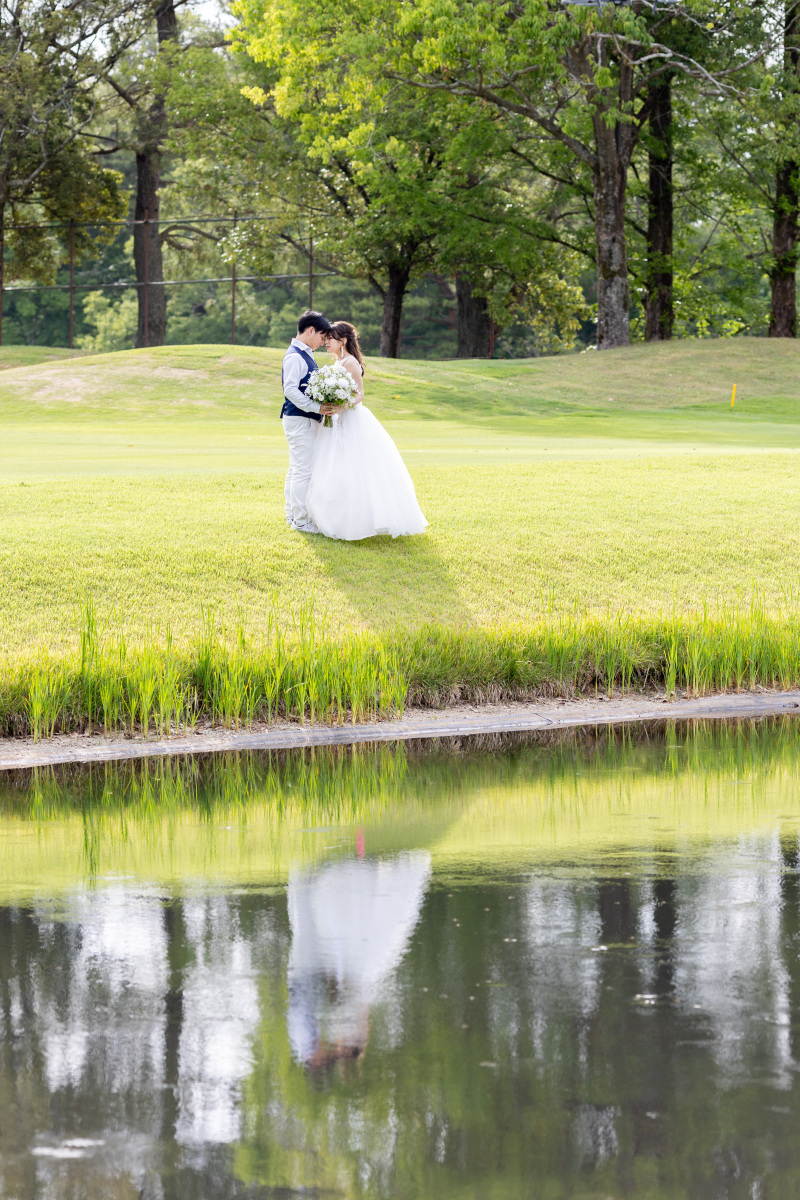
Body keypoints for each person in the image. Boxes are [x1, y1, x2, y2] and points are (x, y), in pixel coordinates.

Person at [306, 321, 429, 540]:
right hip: (335, 421)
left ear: (343, 340)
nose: (326, 342)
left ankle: (357, 520)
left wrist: (340, 407)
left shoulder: (350, 362)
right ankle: (330, 516)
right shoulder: (337, 363)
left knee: (354, 467)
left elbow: (360, 394)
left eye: (330, 339)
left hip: (351, 419)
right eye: (325, 339)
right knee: (333, 465)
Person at [281, 310, 334, 533]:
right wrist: (316, 407)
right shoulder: (295, 356)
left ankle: (292, 515)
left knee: (296, 469)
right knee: (302, 471)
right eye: (322, 337)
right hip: (300, 419)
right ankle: (301, 521)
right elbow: (290, 389)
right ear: (310, 330)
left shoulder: (305, 353)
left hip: (302, 418)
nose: (322, 343)